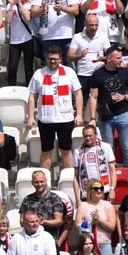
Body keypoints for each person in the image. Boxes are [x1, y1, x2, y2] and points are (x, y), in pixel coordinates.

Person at [27, 45, 84, 173]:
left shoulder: (69, 72)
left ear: (60, 59)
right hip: (46, 120)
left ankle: (68, 179)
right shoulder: (39, 73)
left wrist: (79, 114)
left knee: (66, 150)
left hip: (65, 119)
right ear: (46, 58)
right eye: (50, 59)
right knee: (46, 151)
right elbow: (32, 95)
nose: (53, 62)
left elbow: (78, 93)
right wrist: (30, 117)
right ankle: (44, 181)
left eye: (55, 59)